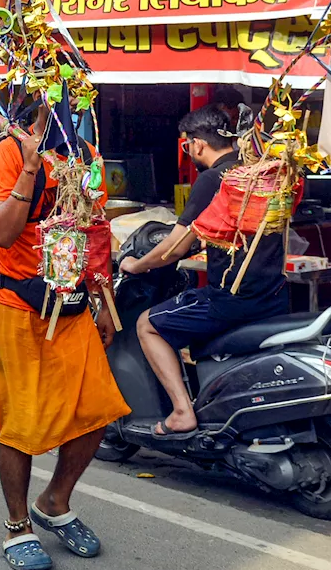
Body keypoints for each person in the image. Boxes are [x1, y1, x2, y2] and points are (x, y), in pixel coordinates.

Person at [0, 99, 128, 570]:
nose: (64, 101)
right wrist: (28, 167)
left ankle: (55, 501)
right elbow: (2, 233)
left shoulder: (84, 155)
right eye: (52, 90)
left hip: (71, 306)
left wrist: (104, 302)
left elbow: (96, 233)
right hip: (17, 306)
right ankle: (17, 524)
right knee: (22, 423)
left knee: (98, 409)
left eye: (71, 89)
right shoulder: (6, 152)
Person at [121, 106, 288, 437]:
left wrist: (135, 264)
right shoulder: (254, 173)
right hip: (273, 294)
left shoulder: (215, 179)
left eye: (187, 145)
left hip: (232, 299)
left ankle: (182, 412)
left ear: (196, 144)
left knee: (147, 325)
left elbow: (175, 247)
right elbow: (222, 232)